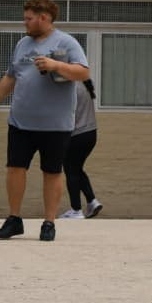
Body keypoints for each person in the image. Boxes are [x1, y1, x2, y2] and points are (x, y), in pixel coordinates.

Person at [0, 0, 90, 242]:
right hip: (21, 122)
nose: (24, 22)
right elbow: (10, 77)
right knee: (15, 168)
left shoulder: (66, 42)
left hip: (56, 125)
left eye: (28, 18)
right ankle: (14, 219)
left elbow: (83, 72)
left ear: (44, 18)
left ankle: (49, 223)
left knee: (52, 172)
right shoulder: (22, 44)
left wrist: (55, 64)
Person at [60, 79, 102, 219]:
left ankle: (76, 209)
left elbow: (65, 112)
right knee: (76, 169)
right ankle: (92, 201)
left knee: (70, 169)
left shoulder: (70, 87)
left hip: (77, 134)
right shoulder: (84, 83)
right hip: (90, 133)